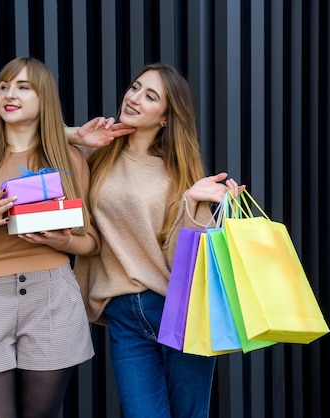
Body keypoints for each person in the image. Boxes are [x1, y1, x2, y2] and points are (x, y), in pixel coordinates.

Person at [0, 57, 109, 418]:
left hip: (53, 296)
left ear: (44, 99)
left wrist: (62, 242)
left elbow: (91, 240)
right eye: (4, 86)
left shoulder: (70, 160)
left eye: (23, 87)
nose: (9, 94)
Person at [68, 63, 241, 417]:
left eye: (150, 96)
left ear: (166, 116)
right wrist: (75, 135)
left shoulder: (180, 175)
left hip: (180, 310)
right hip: (123, 314)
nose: (134, 98)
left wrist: (192, 204)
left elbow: (185, 265)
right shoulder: (94, 154)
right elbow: (29, 133)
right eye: (134, 87)